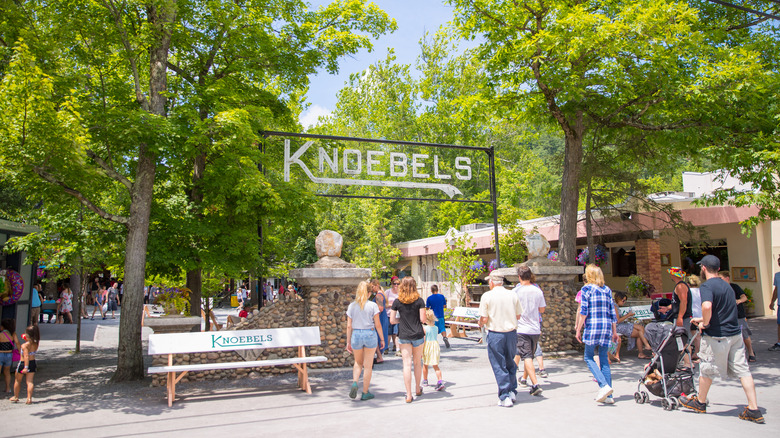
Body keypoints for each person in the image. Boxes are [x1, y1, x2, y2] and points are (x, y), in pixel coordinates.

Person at [679, 255, 764, 423]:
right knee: (743, 371)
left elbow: (707, 306)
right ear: (718, 269)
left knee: (706, 368)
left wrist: (706, 322)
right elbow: (725, 310)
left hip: (717, 335)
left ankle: (700, 402)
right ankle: (754, 409)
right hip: (734, 334)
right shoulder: (727, 287)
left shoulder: (707, 286)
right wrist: (703, 319)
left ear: (703, 268)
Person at [575, 264, 619, 404]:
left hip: (593, 326)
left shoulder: (586, 289)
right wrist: (614, 331)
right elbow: (612, 312)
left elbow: (584, 311)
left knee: (588, 357)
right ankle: (609, 396)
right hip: (606, 327)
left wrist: (578, 329)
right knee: (604, 359)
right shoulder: (607, 290)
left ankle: (603, 385)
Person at [478, 273, 523, 408]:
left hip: (496, 333)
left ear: (492, 282)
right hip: (511, 332)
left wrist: (480, 322)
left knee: (498, 365)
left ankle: (504, 395)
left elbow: (484, 319)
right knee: (510, 362)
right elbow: (518, 315)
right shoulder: (512, 294)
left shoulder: (487, 296)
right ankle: (512, 389)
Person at [346, 280, 384, 401]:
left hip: (356, 334)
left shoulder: (352, 306)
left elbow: (348, 326)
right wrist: (382, 339)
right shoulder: (372, 306)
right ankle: (365, 392)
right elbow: (378, 324)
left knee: (358, 363)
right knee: (368, 365)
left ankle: (355, 382)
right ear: (368, 293)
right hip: (369, 333)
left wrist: (348, 342)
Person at [390, 276, 426, 403]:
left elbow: (392, 320)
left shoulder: (397, 302)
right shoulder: (420, 301)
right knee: (417, 362)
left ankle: (409, 394)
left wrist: (402, 320)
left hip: (404, 335)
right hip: (417, 334)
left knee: (406, 364)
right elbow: (423, 319)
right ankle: (417, 388)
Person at [512, 265, 545, 397]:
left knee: (526, 357)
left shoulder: (516, 292)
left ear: (519, 277)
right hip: (535, 328)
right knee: (529, 356)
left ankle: (535, 384)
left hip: (522, 328)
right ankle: (524, 379)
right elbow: (542, 310)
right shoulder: (537, 291)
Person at [718, 270, 756, 362]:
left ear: (727, 278)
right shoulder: (719, 288)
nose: (719, 280)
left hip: (738, 315)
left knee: (744, 333)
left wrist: (738, 301)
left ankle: (751, 352)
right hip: (726, 316)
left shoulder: (734, 287)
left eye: (721, 278)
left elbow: (744, 297)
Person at [612, 291, 651, 361]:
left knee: (641, 328)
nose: (624, 302)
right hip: (616, 326)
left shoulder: (616, 306)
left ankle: (644, 348)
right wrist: (628, 315)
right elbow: (617, 321)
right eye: (623, 301)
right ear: (618, 299)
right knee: (639, 332)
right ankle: (645, 346)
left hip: (620, 324)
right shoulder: (614, 306)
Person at [9, 325, 39, 404]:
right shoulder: (36, 343)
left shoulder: (24, 346)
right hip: (32, 362)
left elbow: (26, 356)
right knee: (30, 381)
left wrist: (25, 367)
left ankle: (16, 396)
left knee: (18, 380)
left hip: (23, 363)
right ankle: (29, 398)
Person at [421, 309, 445, 391]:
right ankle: (440, 381)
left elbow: (424, 340)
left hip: (427, 346)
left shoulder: (424, 329)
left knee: (425, 364)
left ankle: (425, 380)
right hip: (435, 346)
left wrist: (421, 350)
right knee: (435, 365)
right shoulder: (436, 328)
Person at [425, 284, 450, 348]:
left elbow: (427, 307)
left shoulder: (429, 298)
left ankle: (434, 341)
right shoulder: (442, 296)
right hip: (441, 315)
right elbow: (444, 306)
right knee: (442, 328)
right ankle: (444, 337)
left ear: (431, 290)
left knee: (433, 329)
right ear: (437, 290)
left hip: (433, 316)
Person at [370, 279, 388, 363]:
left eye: (372, 286)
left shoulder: (378, 295)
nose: (372, 288)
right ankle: (379, 355)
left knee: (376, 337)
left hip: (380, 317)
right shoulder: (381, 294)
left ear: (376, 285)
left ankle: (379, 357)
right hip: (382, 317)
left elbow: (380, 308)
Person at [1, 319, 21, 393]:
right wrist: (20, 351)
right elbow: (17, 343)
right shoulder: (13, 334)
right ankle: (8, 388)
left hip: (1, 353)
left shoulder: (1, 334)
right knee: (7, 372)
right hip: (9, 354)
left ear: (3, 326)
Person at [688, 274, 703, 362]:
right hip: (701, 314)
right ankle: (698, 351)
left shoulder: (689, 292)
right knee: (699, 334)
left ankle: (697, 352)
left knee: (696, 335)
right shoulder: (701, 291)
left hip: (693, 315)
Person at [385, 276, 401, 353]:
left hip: (397, 315)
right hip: (388, 314)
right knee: (388, 332)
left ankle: (397, 347)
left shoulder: (401, 293)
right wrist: (392, 305)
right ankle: (386, 347)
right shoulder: (387, 292)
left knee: (396, 332)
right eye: (394, 284)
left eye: (398, 284)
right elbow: (383, 304)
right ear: (392, 284)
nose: (396, 285)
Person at [768, 256, 780, 351]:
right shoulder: (777, 275)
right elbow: (776, 290)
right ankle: (779, 342)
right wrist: (772, 301)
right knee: (779, 324)